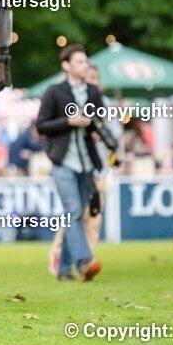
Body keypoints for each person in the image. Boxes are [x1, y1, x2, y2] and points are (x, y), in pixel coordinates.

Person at [35, 44, 106, 282]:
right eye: (80, 62)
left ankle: (64, 268)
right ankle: (84, 261)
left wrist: (95, 127)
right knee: (74, 211)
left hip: (87, 163)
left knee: (75, 213)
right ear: (66, 66)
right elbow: (41, 125)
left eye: (86, 61)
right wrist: (69, 121)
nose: (85, 66)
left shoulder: (93, 92)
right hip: (63, 161)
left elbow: (100, 120)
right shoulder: (54, 92)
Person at [47, 62, 121, 274]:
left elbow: (115, 136)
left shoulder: (104, 105)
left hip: (99, 169)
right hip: (76, 165)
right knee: (75, 215)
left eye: (95, 79)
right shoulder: (71, 102)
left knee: (93, 219)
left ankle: (82, 263)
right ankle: (69, 258)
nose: (92, 83)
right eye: (89, 79)